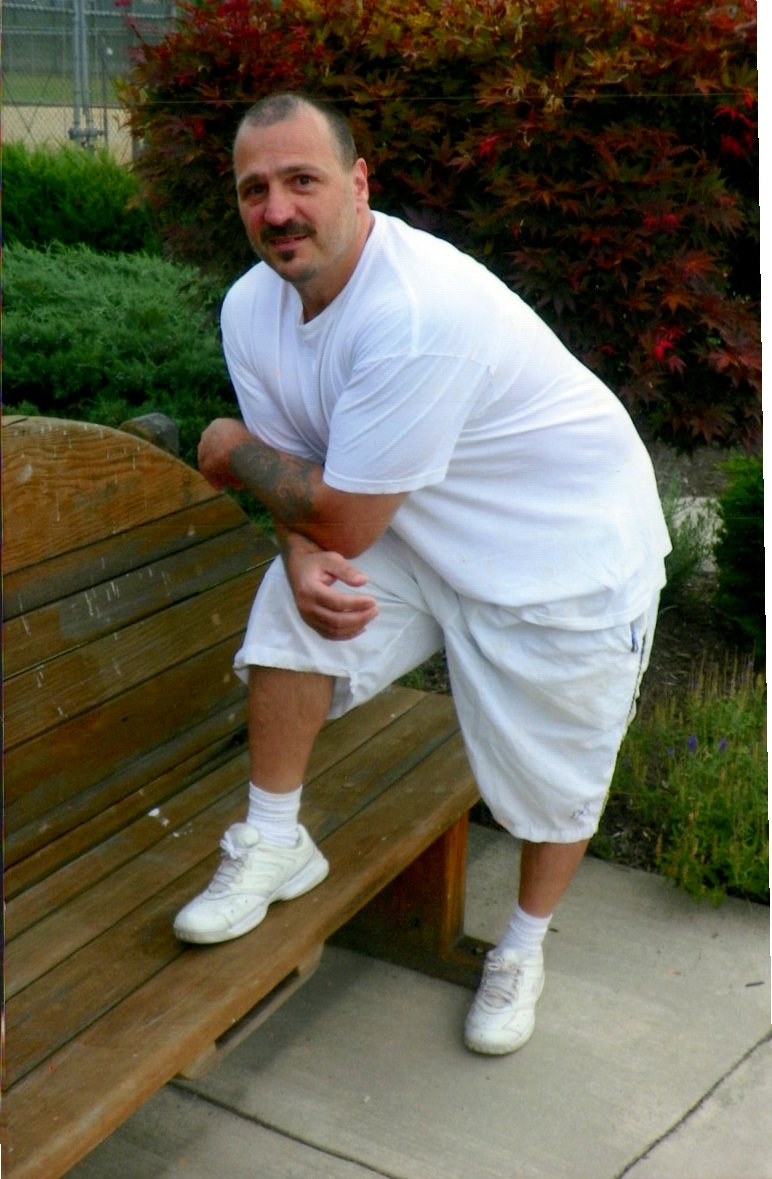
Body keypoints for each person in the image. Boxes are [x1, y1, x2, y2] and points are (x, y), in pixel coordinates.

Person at [173, 91, 671, 1056]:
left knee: (559, 777)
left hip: (563, 553)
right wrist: (298, 552)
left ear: (359, 183)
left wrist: (229, 449)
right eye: (254, 189)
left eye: (303, 180)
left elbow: (328, 504)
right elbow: (302, 481)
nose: (277, 210)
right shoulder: (250, 307)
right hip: (413, 522)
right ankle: (275, 839)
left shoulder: (414, 313)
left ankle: (522, 944)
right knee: (292, 613)